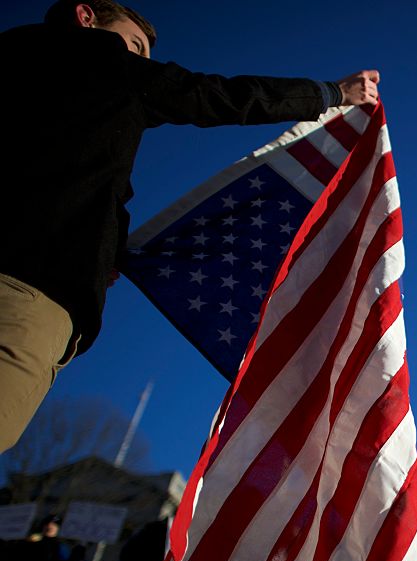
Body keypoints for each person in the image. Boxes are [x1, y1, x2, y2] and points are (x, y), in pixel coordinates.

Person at [0, 0, 380, 452]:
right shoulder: (99, 60)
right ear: (86, 18)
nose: (141, 62)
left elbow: (82, 171)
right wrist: (331, 94)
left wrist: (107, 247)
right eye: (135, 46)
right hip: (29, 286)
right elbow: (213, 95)